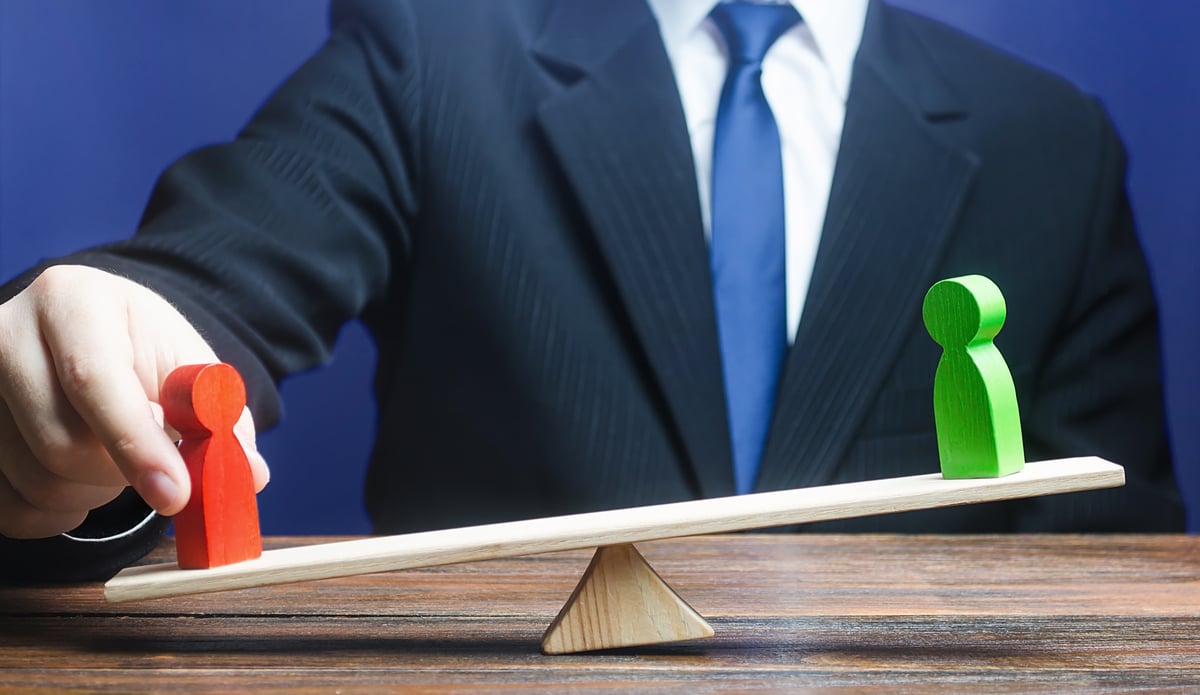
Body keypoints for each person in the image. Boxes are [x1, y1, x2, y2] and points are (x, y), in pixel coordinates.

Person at [0, 0, 1184, 583]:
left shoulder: (1052, 143)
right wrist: (76, 393)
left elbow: (1118, 582)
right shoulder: (428, 51)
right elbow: (204, 284)